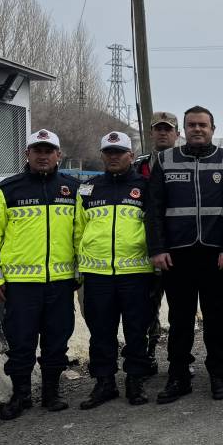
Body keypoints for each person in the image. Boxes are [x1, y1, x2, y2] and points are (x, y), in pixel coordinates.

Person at [0, 129, 79, 421]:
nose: (43, 155)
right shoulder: (7, 190)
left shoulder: (73, 189)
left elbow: (80, 235)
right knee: (21, 342)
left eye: (49, 151)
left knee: (57, 340)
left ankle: (51, 393)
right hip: (20, 286)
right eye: (37, 150)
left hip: (60, 284)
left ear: (59, 155)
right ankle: (20, 395)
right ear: (27, 155)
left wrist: (79, 273)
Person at [145, 106, 223, 404]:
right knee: (180, 319)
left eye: (203, 125)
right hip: (178, 255)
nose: (197, 129)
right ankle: (179, 376)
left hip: (216, 255)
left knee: (216, 318)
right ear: (183, 130)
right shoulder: (165, 161)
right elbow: (154, 209)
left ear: (213, 128)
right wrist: (157, 248)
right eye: (191, 125)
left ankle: (217, 373)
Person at [74, 131, 155, 409]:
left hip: (136, 273)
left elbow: (154, 227)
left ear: (131, 156)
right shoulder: (88, 188)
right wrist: (78, 265)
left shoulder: (146, 186)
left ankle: (135, 381)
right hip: (97, 276)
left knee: (136, 331)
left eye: (120, 152)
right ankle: (104, 382)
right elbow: (77, 229)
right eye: (109, 153)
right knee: (101, 332)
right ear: (103, 156)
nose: (114, 157)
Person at [135, 111, 180, 368]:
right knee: (147, 305)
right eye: (158, 129)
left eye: (168, 129)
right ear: (151, 132)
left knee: (178, 307)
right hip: (147, 246)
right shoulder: (139, 165)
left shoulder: (183, 161)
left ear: (176, 134)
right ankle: (149, 353)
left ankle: (179, 357)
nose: (163, 133)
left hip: (176, 245)